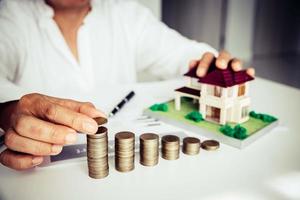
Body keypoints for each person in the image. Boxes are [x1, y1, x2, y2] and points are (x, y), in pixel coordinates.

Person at [0, 0, 254, 170]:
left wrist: (211, 65)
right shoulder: (10, 18)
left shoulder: (125, 12)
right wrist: (6, 111)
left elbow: (180, 53)